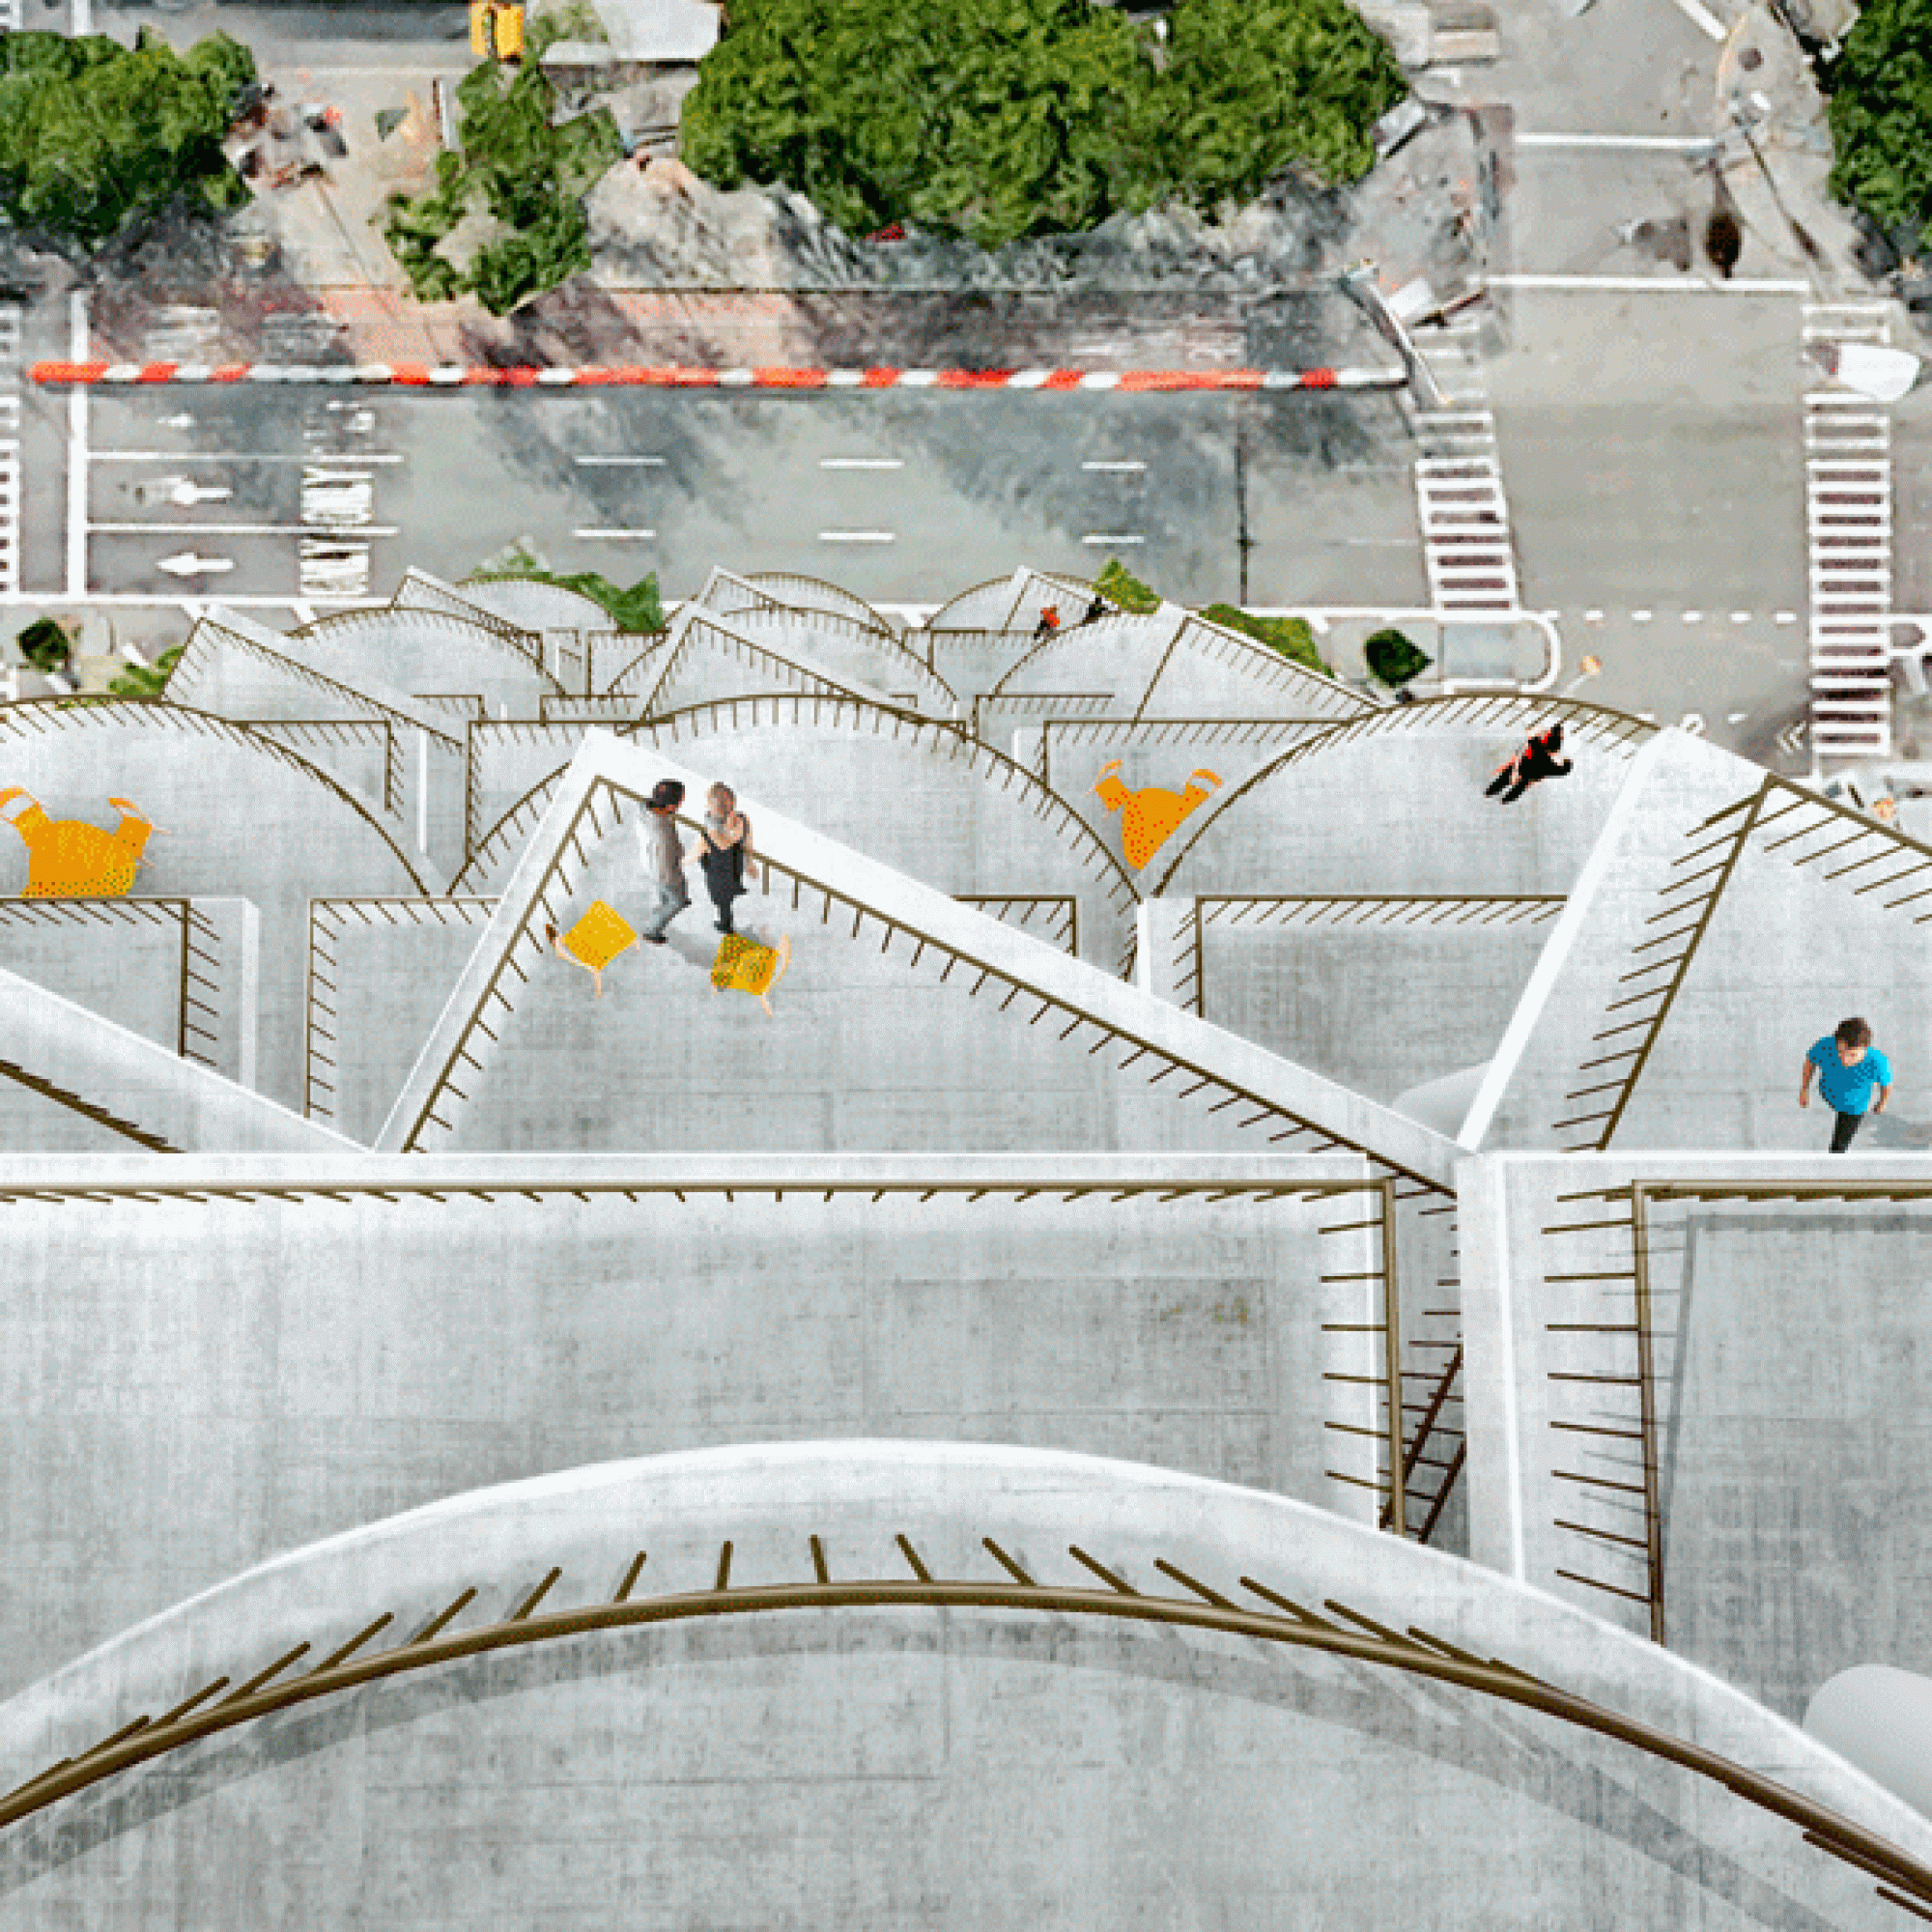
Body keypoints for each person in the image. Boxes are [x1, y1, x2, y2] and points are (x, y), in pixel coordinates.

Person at [1801, 1016, 1892, 1152]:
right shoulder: (1825, 1045)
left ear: (1865, 1049)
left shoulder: (1878, 1062)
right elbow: (1810, 1061)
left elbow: (1886, 1086)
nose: (1845, 1060)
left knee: (1838, 1148)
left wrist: (1882, 1102)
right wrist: (1804, 1089)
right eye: (1840, 1052)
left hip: (1854, 1104)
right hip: (1827, 1092)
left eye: (1852, 1055)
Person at [693, 781, 757, 935]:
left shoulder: (725, 823)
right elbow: (703, 855)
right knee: (724, 903)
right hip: (720, 872)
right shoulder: (712, 832)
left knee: (730, 885)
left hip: (726, 867)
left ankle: (735, 889)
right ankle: (724, 925)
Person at [636, 778, 690, 943]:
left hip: (652, 864)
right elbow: (666, 868)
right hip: (663, 872)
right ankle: (651, 931)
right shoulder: (662, 835)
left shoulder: (646, 810)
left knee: (670, 891)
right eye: (680, 800)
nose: (681, 803)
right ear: (671, 805)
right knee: (677, 902)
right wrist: (676, 877)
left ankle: (665, 902)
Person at [1486, 722, 1574, 804]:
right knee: (1518, 784)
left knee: (1510, 779)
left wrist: (1535, 738)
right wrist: (1567, 763)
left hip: (1526, 766)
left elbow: (1535, 743)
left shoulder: (1543, 752)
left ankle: (1494, 793)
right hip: (1530, 770)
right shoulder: (1549, 762)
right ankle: (1501, 797)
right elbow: (1563, 771)